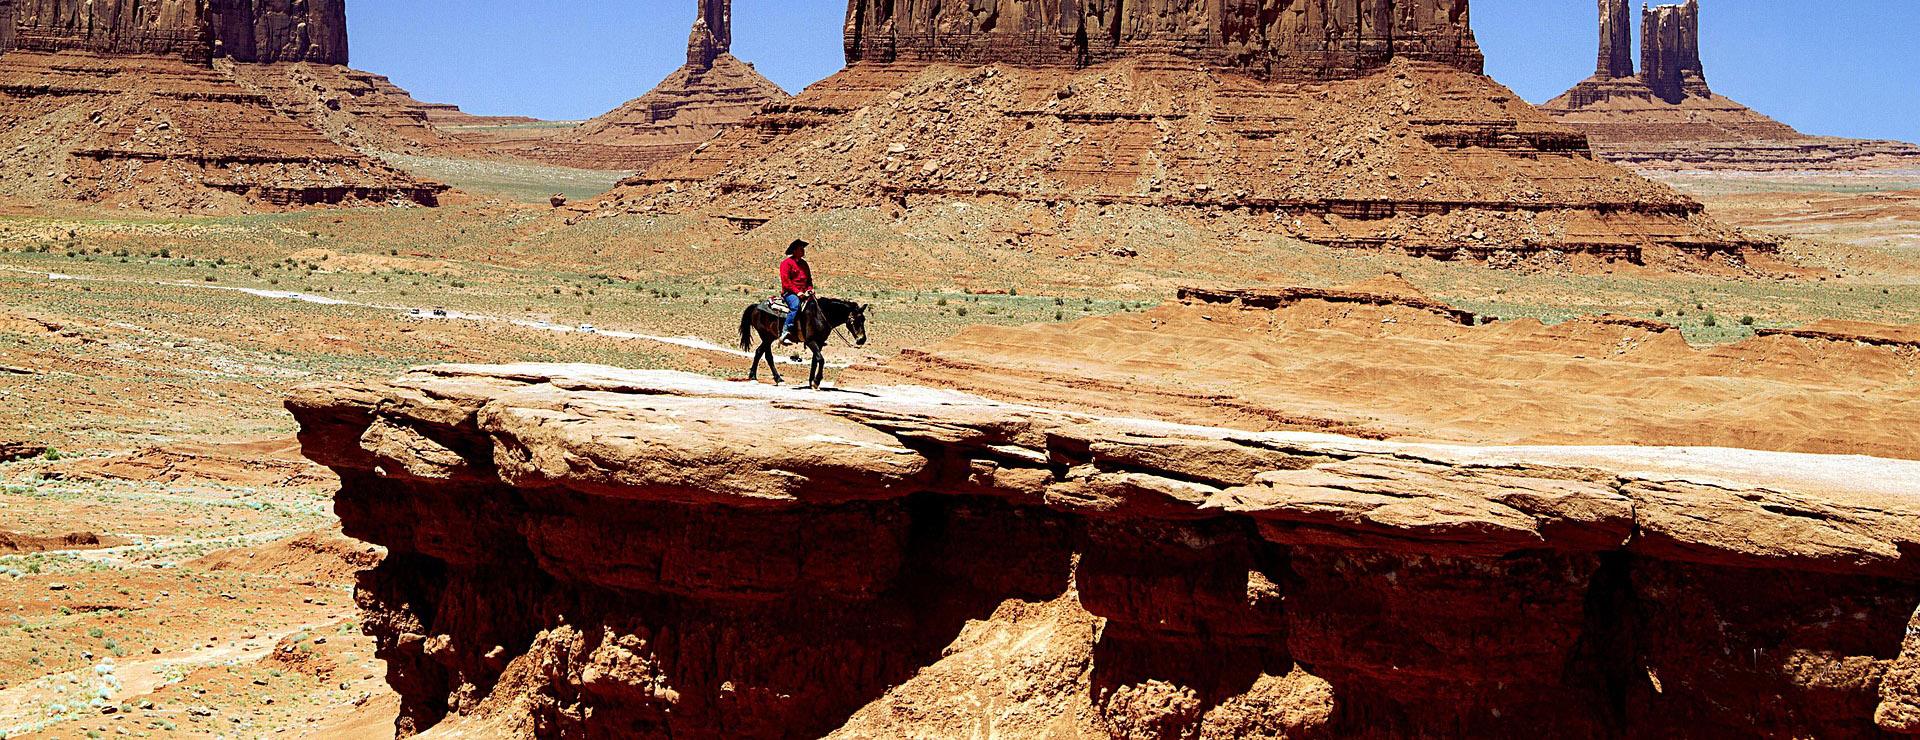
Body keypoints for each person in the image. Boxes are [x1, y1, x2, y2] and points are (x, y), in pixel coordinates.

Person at [779, 239, 814, 345]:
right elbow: (786, 283)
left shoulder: (804, 264)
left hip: (804, 293)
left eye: (803, 249)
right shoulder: (786, 264)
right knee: (796, 306)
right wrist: (798, 292)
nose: (803, 251)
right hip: (790, 293)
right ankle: (785, 331)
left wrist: (810, 289)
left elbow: (809, 280)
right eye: (800, 249)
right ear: (794, 251)